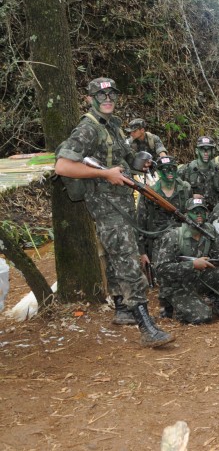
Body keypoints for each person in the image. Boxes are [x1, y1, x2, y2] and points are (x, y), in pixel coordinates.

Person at [53, 77, 174, 347]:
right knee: (128, 260)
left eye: (111, 95)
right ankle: (146, 327)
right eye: (101, 95)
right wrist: (105, 174)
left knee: (117, 255)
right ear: (90, 99)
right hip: (107, 207)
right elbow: (62, 166)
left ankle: (122, 308)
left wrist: (136, 162)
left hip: (121, 202)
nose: (107, 99)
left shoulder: (115, 126)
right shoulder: (88, 128)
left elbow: (118, 158)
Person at [152, 196, 219, 324]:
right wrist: (192, 265)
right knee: (202, 317)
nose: (199, 215)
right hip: (177, 286)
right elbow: (161, 269)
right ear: (186, 214)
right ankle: (174, 306)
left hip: (198, 280)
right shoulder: (174, 235)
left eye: (202, 211)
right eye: (194, 211)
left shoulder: (209, 230)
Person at [136, 154, 192, 317]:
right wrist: (143, 252)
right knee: (165, 271)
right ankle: (166, 303)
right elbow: (141, 223)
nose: (169, 172)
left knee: (185, 269)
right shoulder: (150, 192)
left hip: (182, 236)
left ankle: (185, 299)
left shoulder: (185, 188)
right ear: (159, 172)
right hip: (158, 240)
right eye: (165, 169)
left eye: (172, 169)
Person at [179, 135, 219, 207]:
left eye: (208, 149)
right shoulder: (186, 170)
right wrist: (190, 196)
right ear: (197, 151)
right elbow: (175, 192)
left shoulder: (217, 170)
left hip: (214, 212)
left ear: (212, 151)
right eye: (203, 149)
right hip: (195, 212)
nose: (206, 153)